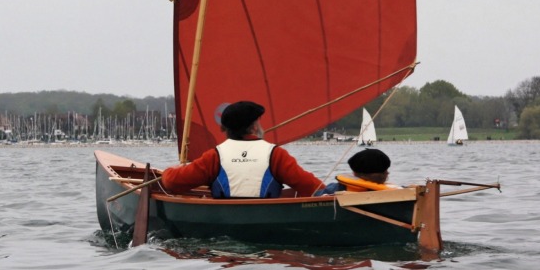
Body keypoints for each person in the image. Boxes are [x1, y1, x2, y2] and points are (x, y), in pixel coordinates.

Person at [161, 100, 325, 198]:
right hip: (269, 227)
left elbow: (170, 182)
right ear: (254, 127)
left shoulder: (214, 156)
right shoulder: (275, 154)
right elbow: (313, 189)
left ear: (225, 129)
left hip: (223, 237)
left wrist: (170, 170)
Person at [318, 147, 399, 194]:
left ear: (354, 173)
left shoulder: (333, 188)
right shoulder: (334, 190)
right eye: (384, 171)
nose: (387, 173)